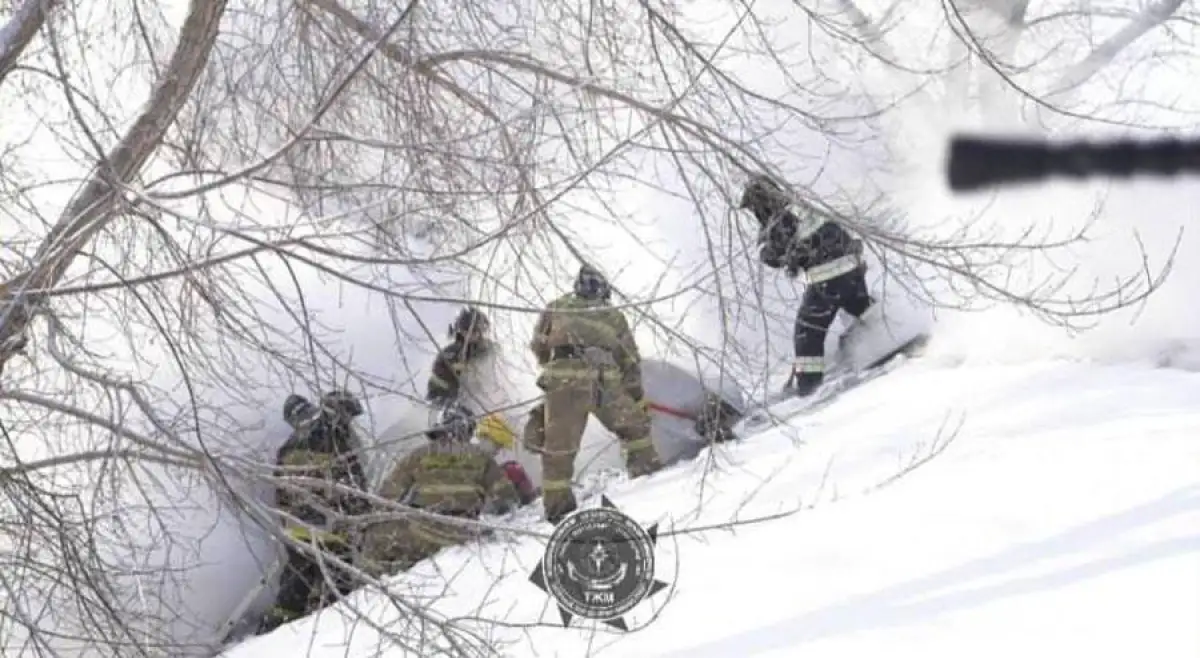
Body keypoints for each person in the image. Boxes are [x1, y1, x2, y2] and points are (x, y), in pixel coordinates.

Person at [524, 263, 663, 525]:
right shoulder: (613, 315)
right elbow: (629, 360)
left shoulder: (556, 306)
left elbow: (538, 345)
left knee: (558, 450)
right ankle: (650, 481)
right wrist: (635, 397)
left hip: (565, 380)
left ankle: (558, 512)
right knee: (635, 431)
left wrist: (553, 368)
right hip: (605, 381)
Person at [737, 174, 880, 397]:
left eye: (754, 208)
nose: (756, 214)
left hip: (827, 278)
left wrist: (765, 250)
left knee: (807, 332)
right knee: (861, 308)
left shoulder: (781, 219)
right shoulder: (801, 206)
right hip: (851, 269)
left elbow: (775, 256)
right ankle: (890, 332)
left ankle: (808, 387)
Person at [360, 402, 522, 576]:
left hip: (423, 532)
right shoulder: (482, 458)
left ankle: (373, 588)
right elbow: (507, 498)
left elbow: (387, 495)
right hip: (462, 532)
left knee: (375, 537)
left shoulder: (419, 454)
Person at [259, 390, 370, 633]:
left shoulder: (287, 448)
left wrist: (288, 525)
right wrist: (363, 518)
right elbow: (354, 485)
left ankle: (273, 633)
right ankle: (332, 632)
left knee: (294, 588)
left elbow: (282, 494)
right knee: (337, 592)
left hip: (299, 532)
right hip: (334, 529)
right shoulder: (335, 439)